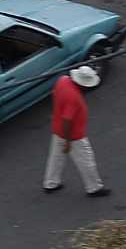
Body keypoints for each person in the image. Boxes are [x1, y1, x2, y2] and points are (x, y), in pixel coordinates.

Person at [44, 65, 109, 197]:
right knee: (86, 160)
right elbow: (67, 120)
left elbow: (55, 97)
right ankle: (94, 187)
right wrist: (68, 141)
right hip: (73, 136)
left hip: (58, 129)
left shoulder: (63, 81)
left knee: (56, 157)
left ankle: (51, 183)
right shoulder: (73, 98)